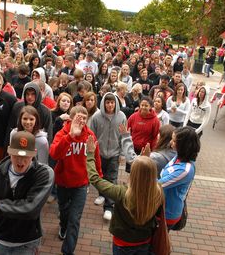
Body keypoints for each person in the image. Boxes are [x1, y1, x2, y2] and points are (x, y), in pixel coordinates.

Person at [86, 136, 164, 255]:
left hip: (123, 244)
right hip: (145, 242)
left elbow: (95, 179)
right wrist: (145, 161)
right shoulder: (158, 191)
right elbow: (146, 175)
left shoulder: (121, 193)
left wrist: (90, 154)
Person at [0, 130, 54, 255]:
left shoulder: (44, 174)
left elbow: (30, 209)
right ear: (9, 151)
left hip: (27, 242)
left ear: (34, 153)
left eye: (25, 156)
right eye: (16, 156)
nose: (20, 161)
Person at [49, 106, 102, 255]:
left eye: (84, 118)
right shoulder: (62, 133)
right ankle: (62, 226)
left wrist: (98, 176)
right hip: (63, 182)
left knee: (75, 218)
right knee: (64, 211)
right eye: (79, 117)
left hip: (81, 183)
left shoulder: (90, 135)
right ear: (71, 118)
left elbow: (96, 156)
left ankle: (67, 251)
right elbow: (54, 154)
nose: (82, 121)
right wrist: (70, 136)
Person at [90, 93, 127, 221]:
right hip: (99, 153)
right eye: (107, 102)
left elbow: (124, 136)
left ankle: (109, 207)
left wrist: (122, 154)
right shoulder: (96, 117)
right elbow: (92, 136)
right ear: (103, 103)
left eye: (112, 102)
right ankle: (102, 194)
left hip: (114, 154)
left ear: (116, 103)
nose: (110, 105)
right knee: (101, 176)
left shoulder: (121, 116)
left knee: (111, 179)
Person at [159, 126, 200, 229]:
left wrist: (145, 167)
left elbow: (159, 185)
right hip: (161, 207)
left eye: (174, 141)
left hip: (167, 213)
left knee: (158, 242)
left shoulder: (185, 170)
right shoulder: (178, 156)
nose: (170, 143)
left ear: (183, 145)